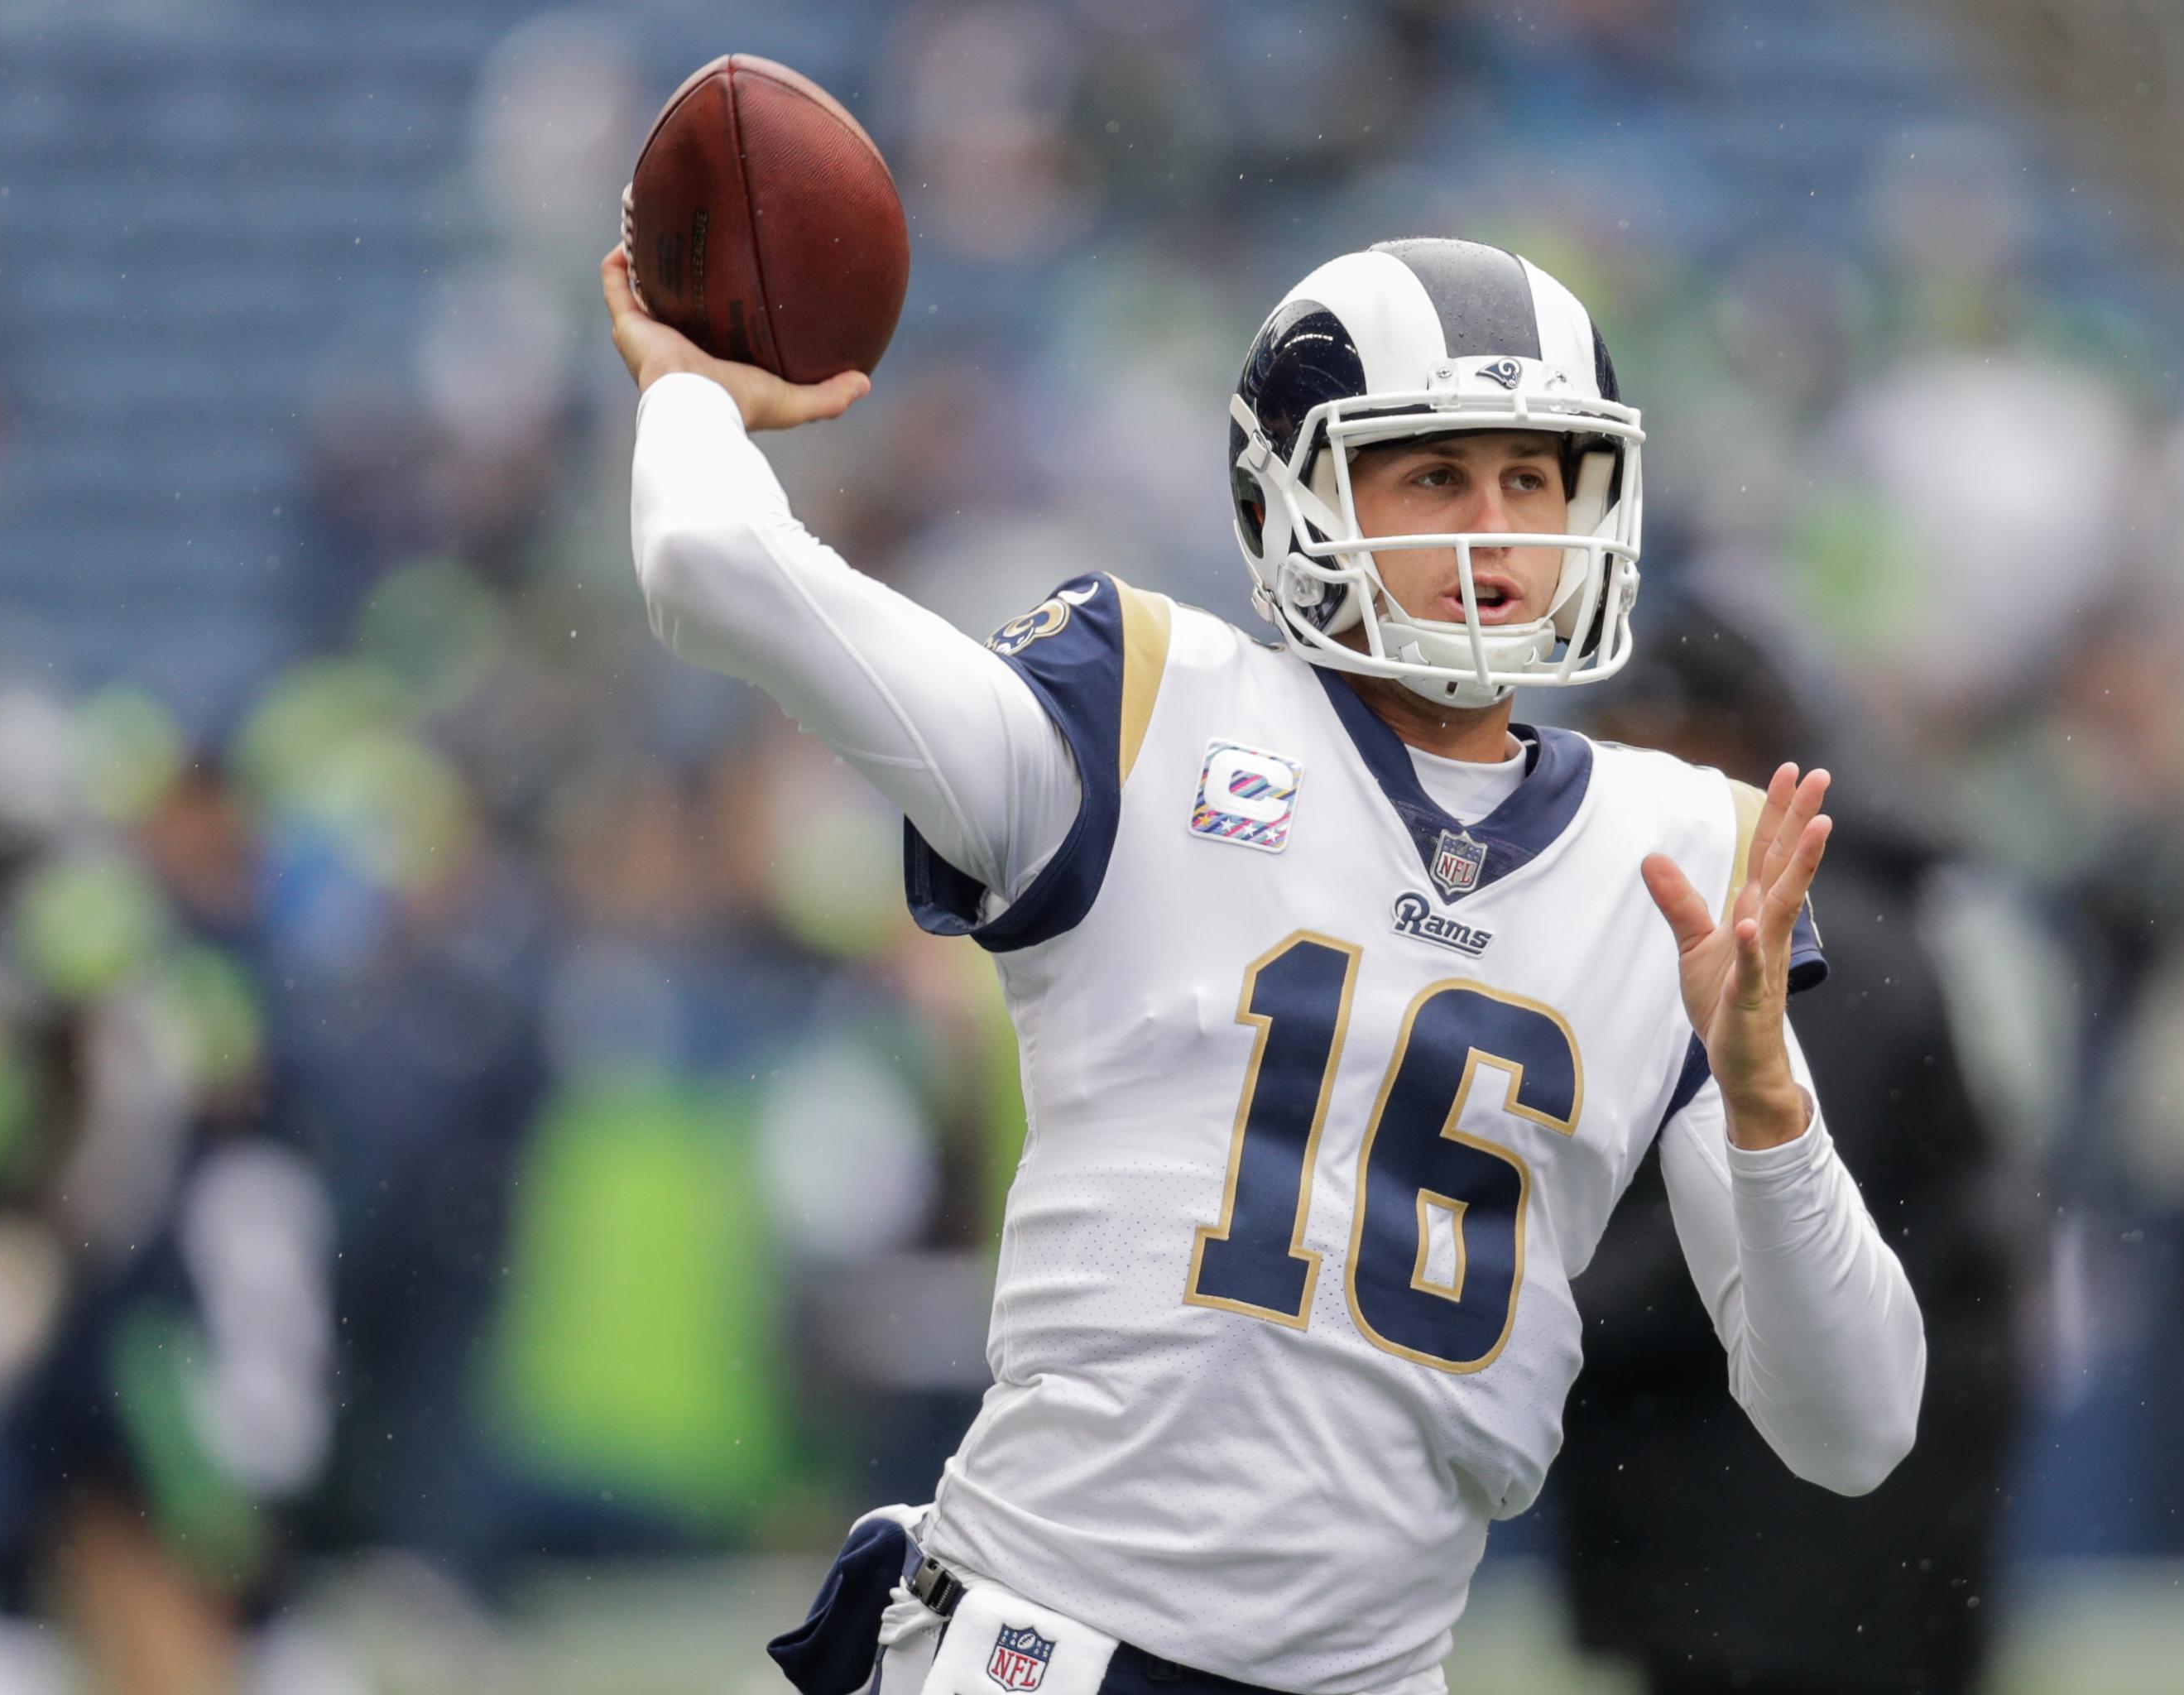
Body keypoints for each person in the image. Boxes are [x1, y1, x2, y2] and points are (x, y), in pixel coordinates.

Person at [602, 234, 1926, 1695]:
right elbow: (707, 562)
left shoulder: (1675, 853)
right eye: (1435, 475)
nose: (1494, 534)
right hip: (1046, 1648)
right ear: (1283, 497)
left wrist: (1767, 1113)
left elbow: (1853, 1428)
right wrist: (690, 393)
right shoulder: (1146, 709)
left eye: (1532, 480)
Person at [1555, 593, 2019, 1695]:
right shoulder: (1843, 917)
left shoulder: (1823, 943)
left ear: (1739, 740)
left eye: (1652, 737)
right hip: (1772, 1527)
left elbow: (1767, 1220)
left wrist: (1524, 1305)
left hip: (1805, 1539)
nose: (1627, 773)